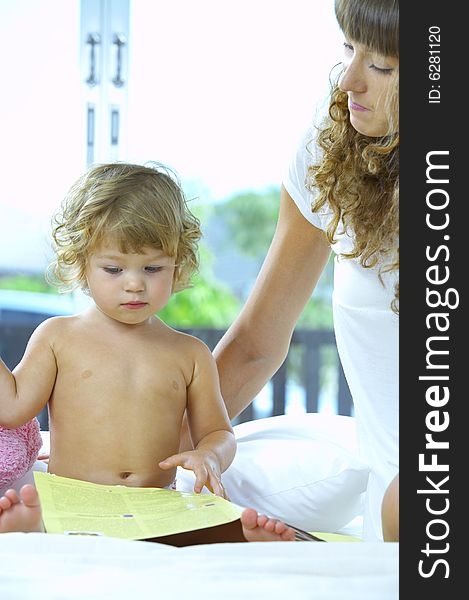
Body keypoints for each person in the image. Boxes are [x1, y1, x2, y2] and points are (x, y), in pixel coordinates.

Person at [208, 0, 400, 542]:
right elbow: (256, 343)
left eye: (382, 66)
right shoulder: (333, 141)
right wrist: (161, 452)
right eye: (347, 49)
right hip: (383, 471)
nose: (349, 82)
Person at [0, 161, 236, 500]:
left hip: (155, 503)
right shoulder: (57, 338)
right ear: (82, 263)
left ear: (178, 263)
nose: (135, 284)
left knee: (215, 531)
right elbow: (11, 408)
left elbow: (219, 432)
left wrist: (210, 454)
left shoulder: (190, 354)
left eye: (153, 268)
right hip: (73, 500)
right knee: (33, 524)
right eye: (113, 269)